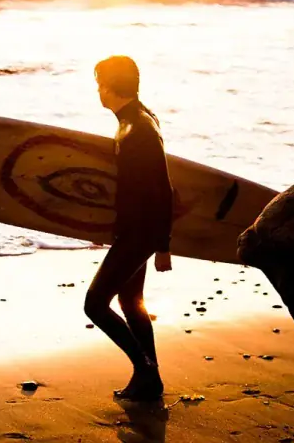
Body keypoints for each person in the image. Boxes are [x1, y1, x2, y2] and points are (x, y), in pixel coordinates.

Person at [85, 55, 174, 401]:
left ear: (108, 87)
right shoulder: (135, 119)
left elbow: (163, 188)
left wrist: (163, 245)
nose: (97, 91)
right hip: (136, 230)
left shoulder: (139, 131)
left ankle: (145, 370)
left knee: (95, 304)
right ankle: (150, 379)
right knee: (129, 300)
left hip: (142, 232)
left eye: (98, 84)